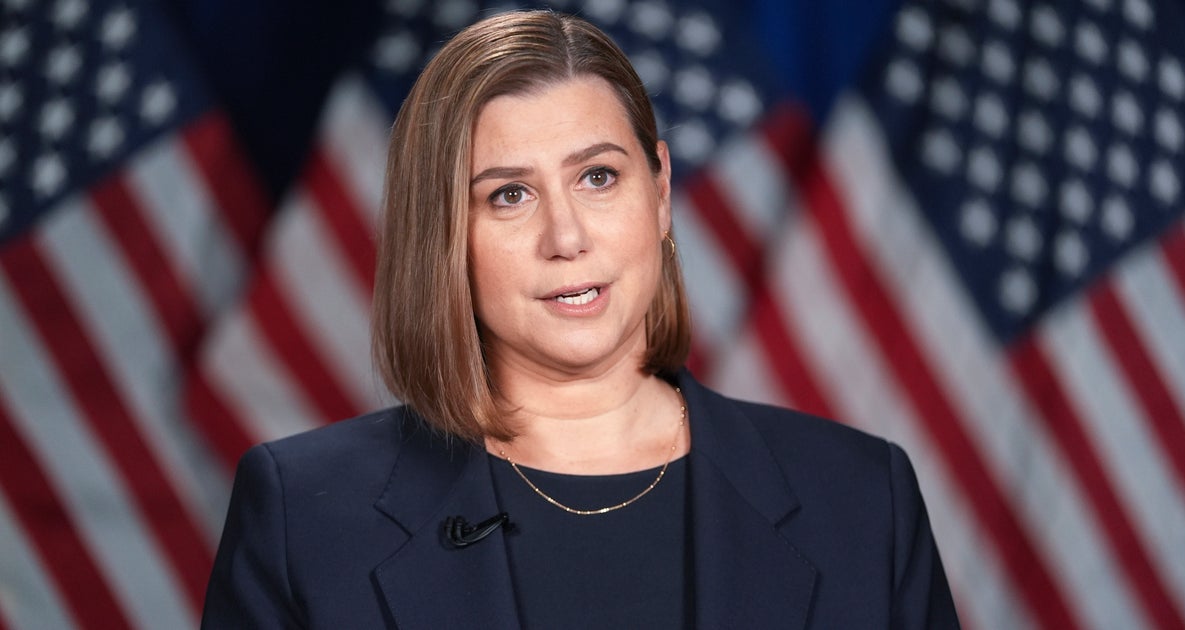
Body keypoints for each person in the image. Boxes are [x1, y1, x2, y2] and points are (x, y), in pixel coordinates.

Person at [202, 9, 959, 629]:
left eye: (598, 177)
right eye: (509, 195)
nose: (566, 238)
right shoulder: (304, 515)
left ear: (659, 193)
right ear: (441, 236)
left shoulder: (862, 499)